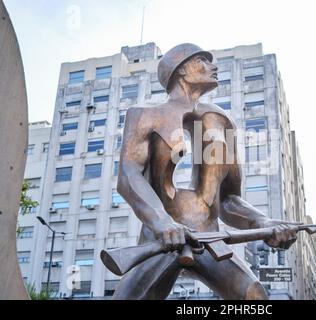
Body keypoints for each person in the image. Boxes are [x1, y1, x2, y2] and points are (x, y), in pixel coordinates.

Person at [113, 43, 298, 300]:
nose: (213, 66)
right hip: (162, 240)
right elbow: (128, 176)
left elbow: (227, 200)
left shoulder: (218, 121)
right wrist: (161, 221)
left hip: (210, 240)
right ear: (181, 71)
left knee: (254, 296)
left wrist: (262, 223)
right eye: (202, 60)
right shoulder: (145, 116)